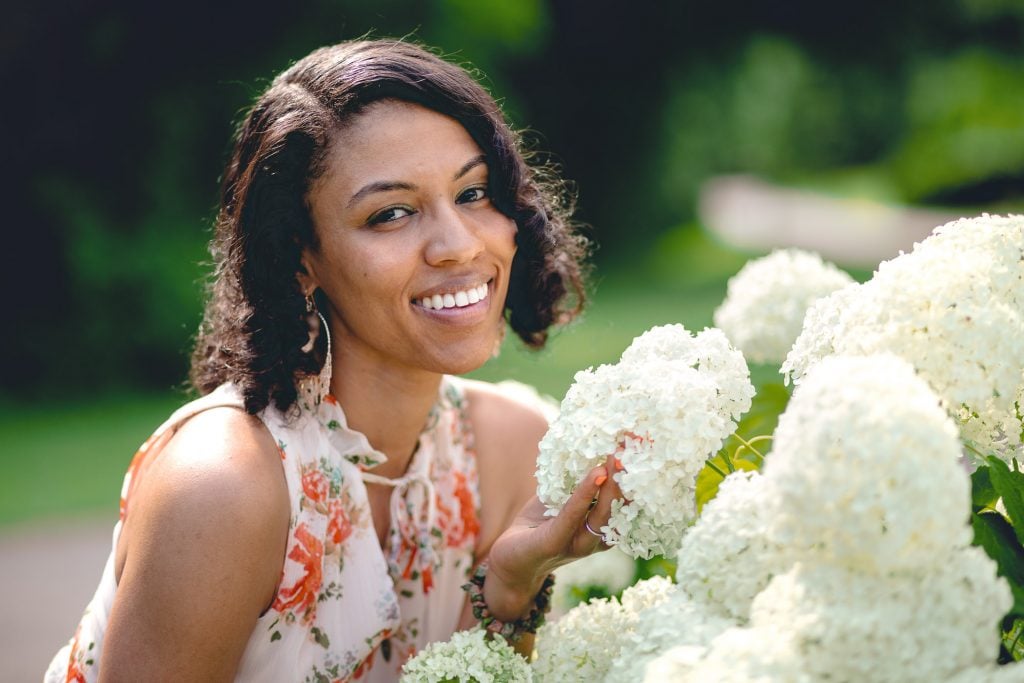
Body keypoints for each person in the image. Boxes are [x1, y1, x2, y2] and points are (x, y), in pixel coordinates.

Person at [45, 39, 623, 682]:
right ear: (300, 258)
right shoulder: (224, 486)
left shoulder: (513, 446)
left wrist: (510, 588)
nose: (458, 246)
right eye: (391, 214)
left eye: (473, 193)